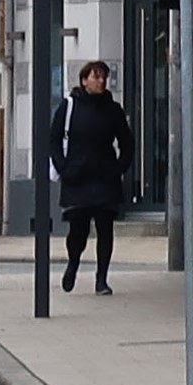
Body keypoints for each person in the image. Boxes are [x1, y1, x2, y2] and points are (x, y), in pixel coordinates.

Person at [52, 60, 135, 296]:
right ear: (83, 80)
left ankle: (101, 279)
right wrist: (64, 168)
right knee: (78, 230)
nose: (100, 81)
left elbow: (127, 143)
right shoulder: (69, 107)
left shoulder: (113, 110)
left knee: (105, 229)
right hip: (77, 177)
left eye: (103, 77)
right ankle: (73, 263)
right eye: (95, 77)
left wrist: (119, 168)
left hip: (105, 177)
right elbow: (53, 140)